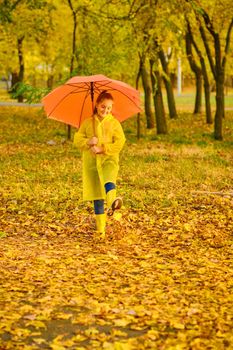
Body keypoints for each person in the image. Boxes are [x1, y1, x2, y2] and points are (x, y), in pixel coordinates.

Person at [74, 91, 126, 239]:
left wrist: (103, 149)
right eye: (103, 107)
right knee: (96, 196)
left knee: (109, 180)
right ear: (97, 105)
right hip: (91, 164)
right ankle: (100, 231)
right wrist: (88, 142)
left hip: (109, 160)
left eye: (109, 108)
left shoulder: (114, 123)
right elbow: (77, 139)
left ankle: (113, 202)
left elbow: (120, 142)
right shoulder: (87, 122)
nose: (106, 110)